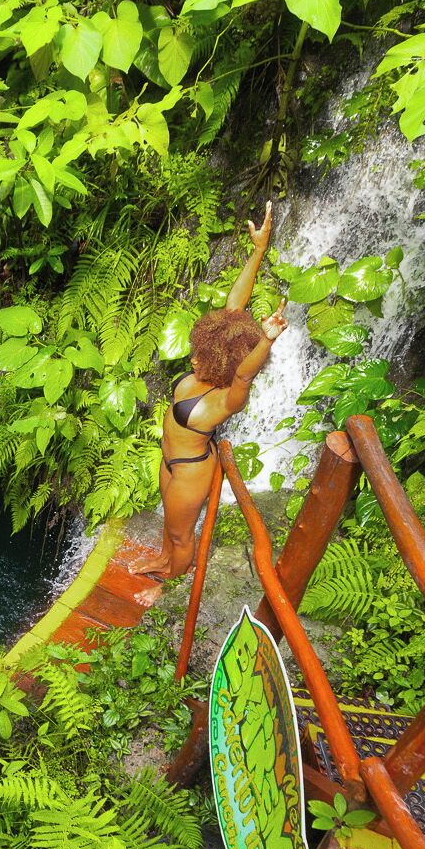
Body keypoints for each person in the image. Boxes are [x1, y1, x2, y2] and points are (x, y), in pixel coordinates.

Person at [150, 201, 288, 580]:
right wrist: (258, 249)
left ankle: (168, 587)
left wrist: (266, 340)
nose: (193, 361)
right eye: (197, 353)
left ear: (223, 363)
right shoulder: (214, 356)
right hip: (169, 460)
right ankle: (161, 563)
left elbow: (244, 376)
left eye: (201, 358)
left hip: (192, 470)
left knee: (181, 536)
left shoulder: (226, 397)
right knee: (168, 528)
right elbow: (234, 305)